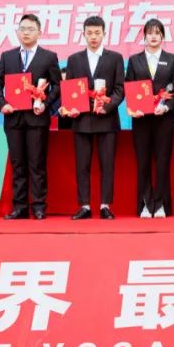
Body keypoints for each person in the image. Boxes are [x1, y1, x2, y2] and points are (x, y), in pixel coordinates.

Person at [0, 14, 61, 220]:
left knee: (36, 164)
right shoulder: (7, 56)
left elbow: (57, 86)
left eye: (31, 29)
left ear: (39, 32)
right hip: (13, 118)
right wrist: (2, 104)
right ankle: (20, 207)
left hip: (37, 118)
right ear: (17, 32)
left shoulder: (49, 57)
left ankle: (38, 206)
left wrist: (46, 104)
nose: (26, 32)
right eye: (22, 29)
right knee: (18, 164)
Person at [64, 16, 125, 221]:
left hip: (107, 119)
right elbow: (70, 89)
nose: (93, 37)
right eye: (89, 33)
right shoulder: (74, 60)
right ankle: (85, 205)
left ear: (104, 34)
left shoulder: (115, 58)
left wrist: (106, 106)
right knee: (82, 166)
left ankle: (105, 205)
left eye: (97, 33)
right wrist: (72, 107)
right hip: (81, 120)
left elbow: (120, 89)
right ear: (83, 34)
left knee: (107, 165)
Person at [126, 18, 174, 218]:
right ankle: (145, 204)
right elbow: (129, 86)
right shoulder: (134, 60)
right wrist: (133, 108)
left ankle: (160, 205)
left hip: (163, 119)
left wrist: (166, 107)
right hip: (141, 119)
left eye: (157, 33)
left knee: (162, 162)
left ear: (162, 37)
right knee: (143, 163)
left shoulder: (172, 59)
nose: (153, 37)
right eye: (150, 33)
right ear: (144, 36)